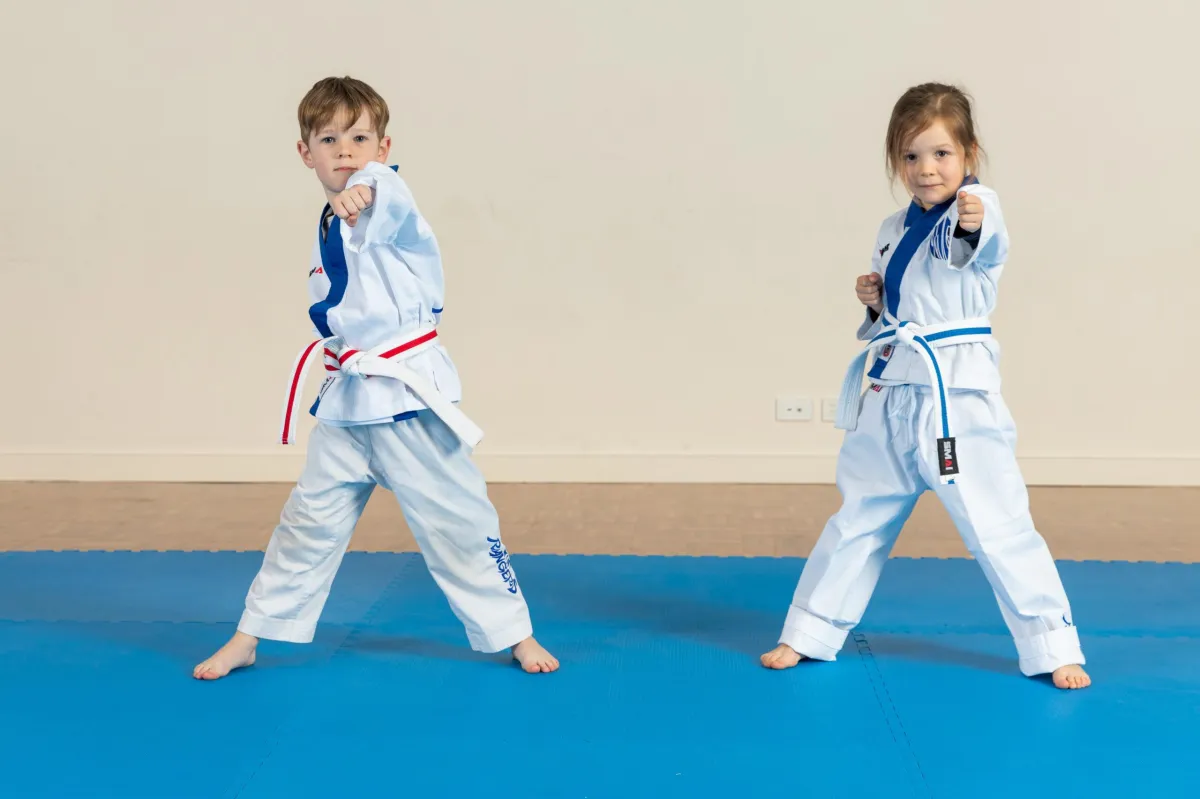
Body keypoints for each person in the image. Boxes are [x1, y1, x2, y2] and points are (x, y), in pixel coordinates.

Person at [194, 76, 558, 679]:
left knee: (460, 524)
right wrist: (346, 203)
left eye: (360, 139)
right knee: (306, 525)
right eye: (329, 139)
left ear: (383, 148)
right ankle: (251, 634)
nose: (345, 151)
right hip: (347, 402)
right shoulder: (328, 220)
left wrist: (364, 190)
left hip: (406, 399)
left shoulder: (385, 199)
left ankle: (514, 634)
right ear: (305, 152)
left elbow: (381, 196)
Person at [760, 82, 1090, 689]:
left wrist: (973, 218)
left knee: (996, 522)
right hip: (892, 387)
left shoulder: (977, 208)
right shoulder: (892, 227)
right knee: (859, 514)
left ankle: (1052, 644)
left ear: (969, 154)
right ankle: (809, 631)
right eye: (911, 156)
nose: (926, 168)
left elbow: (971, 245)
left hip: (954, 396)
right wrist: (876, 300)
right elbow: (905, 306)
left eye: (941, 153)